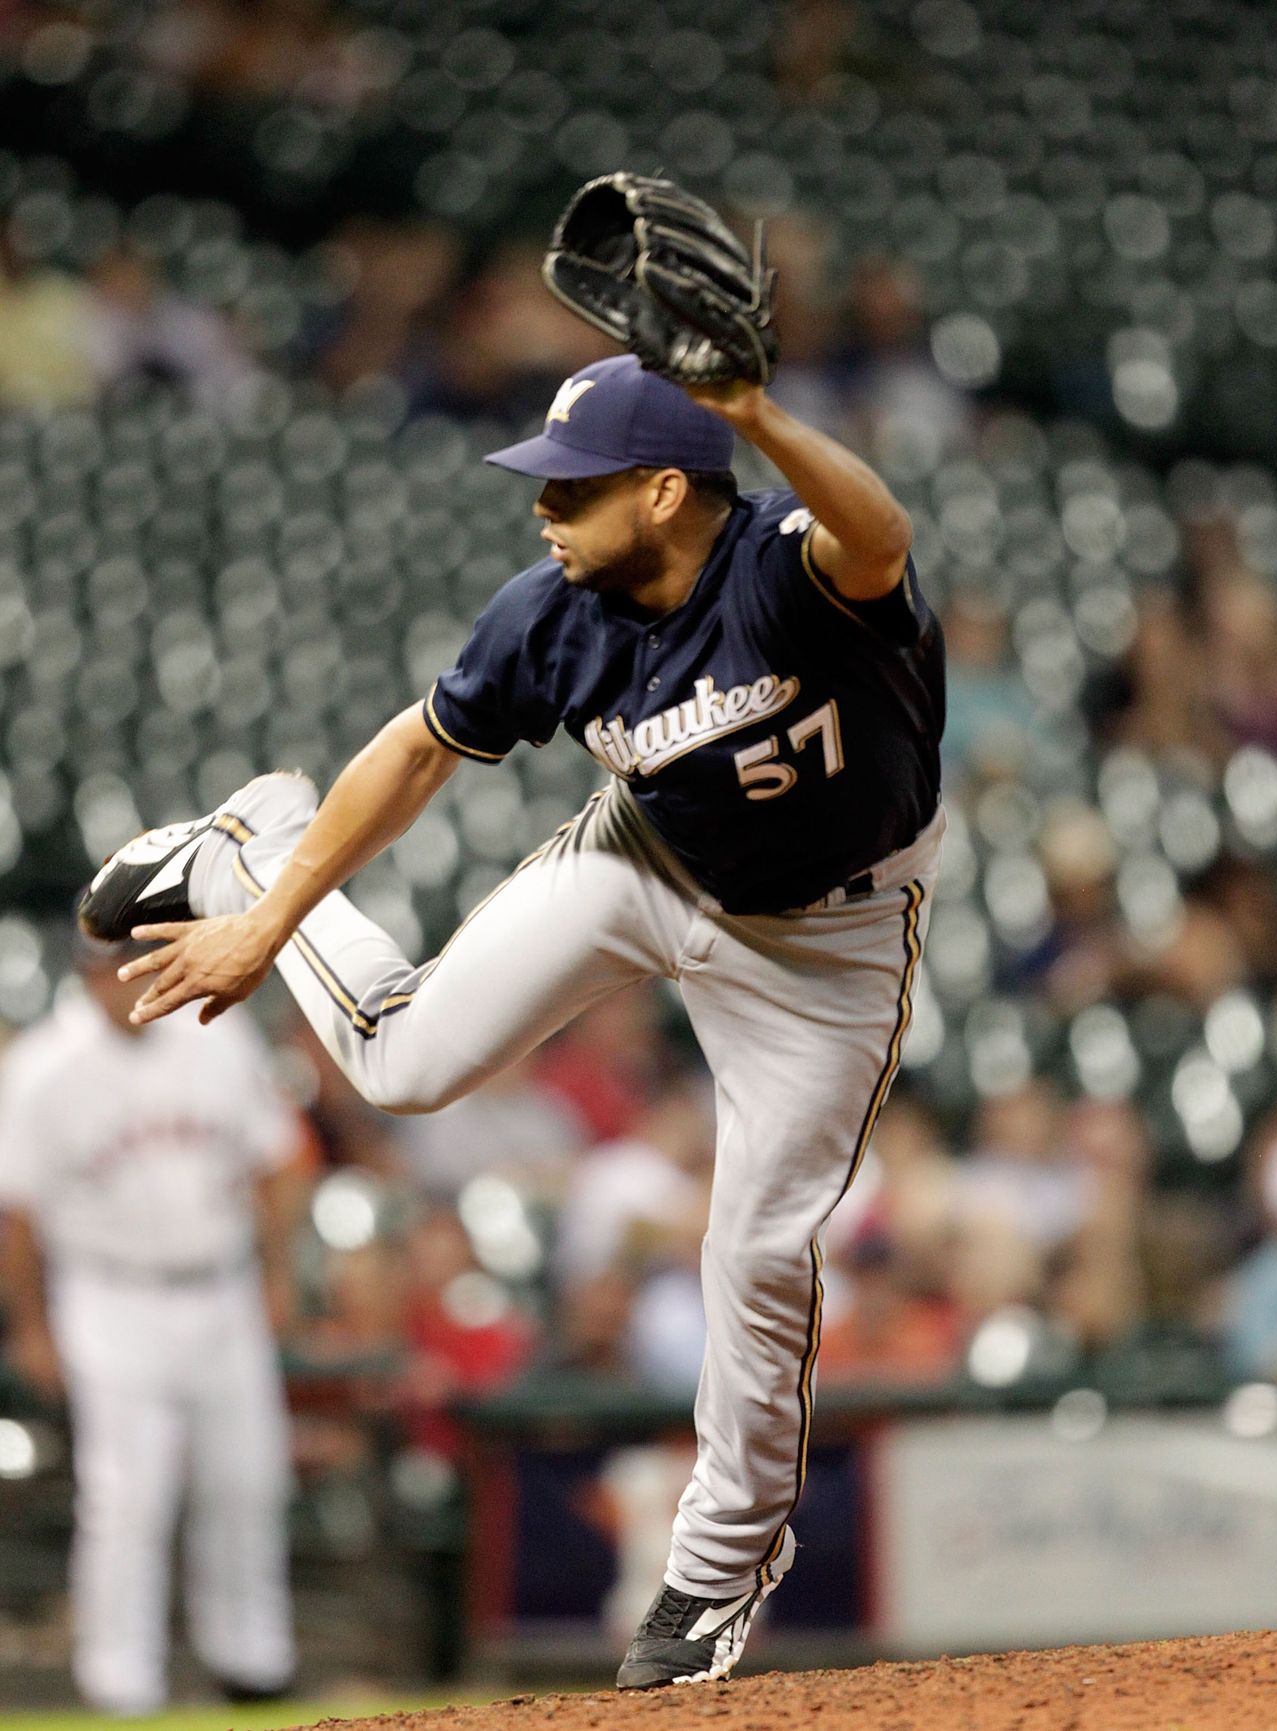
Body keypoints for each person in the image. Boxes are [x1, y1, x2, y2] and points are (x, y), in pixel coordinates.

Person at [79, 349, 946, 1687]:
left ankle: (714, 1576)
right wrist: (267, 920)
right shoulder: (551, 609)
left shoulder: (783, 564)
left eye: (575, 484)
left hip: (828, 937)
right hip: (647, 858)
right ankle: (247, 851)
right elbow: (420, 748)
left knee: (760, 1245)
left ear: (667, 489)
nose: (543, 505)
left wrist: (761, 414)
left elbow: (879, 534)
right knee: (405, 1062)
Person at [0, 925, 301, 1714]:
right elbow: (18, 1216)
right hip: (109, 1294)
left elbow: (275, 1161)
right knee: (128, 1495)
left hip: (223, 1285)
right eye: (106, 971)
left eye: (131, 968)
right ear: (83, 973)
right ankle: (120, 1681)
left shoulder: (216, 1033)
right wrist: (32, 1326)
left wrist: (277, 1273)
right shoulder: (41, 1068)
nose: (122, 985)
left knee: (246, 1480)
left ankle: (254, 1663)